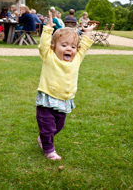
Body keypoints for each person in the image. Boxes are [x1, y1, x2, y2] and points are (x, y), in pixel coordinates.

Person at [36, 11, 96, 160]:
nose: (69, 49)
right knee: (48, 126)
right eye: (64, 45)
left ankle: (43, 137)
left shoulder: (76, 59)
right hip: (47, 99)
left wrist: (87, 33)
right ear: (54, 46)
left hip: (64, 99)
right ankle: (49, 150)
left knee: (58, 127)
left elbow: (85, 46)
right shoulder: (49, 56)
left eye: (73, 47)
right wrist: (48, 28)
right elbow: (43, 45)